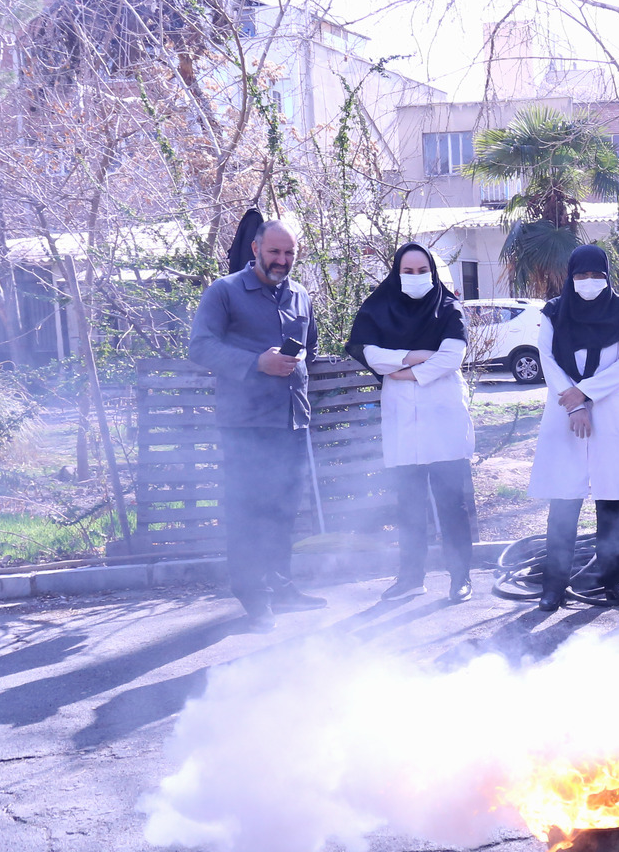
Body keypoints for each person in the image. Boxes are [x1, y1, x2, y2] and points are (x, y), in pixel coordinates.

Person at [188, 220, 326, 631]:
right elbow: (200, 346)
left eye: (289, 253)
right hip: (246, 426)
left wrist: (296, 362)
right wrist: (255, 363)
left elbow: (311, 345)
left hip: (292, 421)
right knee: (249, 513)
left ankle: (282, 588)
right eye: (274, 252)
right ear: (256, 249)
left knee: (283, 511)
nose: (282, 260)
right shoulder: (224, 291)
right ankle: (254, 598)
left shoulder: (300, 294)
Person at [345, 242, 477, 604]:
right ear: (396, 271)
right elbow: (371, 354)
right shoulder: (379, 307)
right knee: (408, 503)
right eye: (408, 271)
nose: (415, 278)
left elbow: (452, 357)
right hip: (402, 417)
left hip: (442, 415)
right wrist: (414, 357)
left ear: (432, 273)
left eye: (422, 272)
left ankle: (460, 577)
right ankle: (410, 577)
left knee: (451, 504)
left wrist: (407, 373)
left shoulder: (448, 308)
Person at [529, 245, 619, 611]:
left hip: (610, 412)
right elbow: (546, 358)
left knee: (611, 500)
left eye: (597, 276)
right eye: (582, 276)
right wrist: (575, 402)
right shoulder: (553, 313)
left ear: (608, 277)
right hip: (565, 410)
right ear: (570, 277)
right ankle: (554, 585)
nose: (589, 283)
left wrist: (586, 393)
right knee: (563, 500)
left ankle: (614, 581)